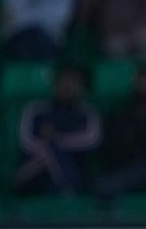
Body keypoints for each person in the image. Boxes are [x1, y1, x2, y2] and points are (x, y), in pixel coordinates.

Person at [93, 63, 146, 201]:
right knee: (105, 186)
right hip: (126, 165)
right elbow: (113, 143)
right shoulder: (119, 112)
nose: (144, 87)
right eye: (141, 83)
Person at [14, 64, 101, 195]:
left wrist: (54, 140)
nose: (67, 86)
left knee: (58, 157)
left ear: (82, 87)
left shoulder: (87, 112)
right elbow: (26, 141)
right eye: (63, 81)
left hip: (76, 166)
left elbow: (91, 140)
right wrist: (49, 151)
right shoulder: (36, 110)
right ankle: (68, 191)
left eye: (73, 82)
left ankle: (68, 191)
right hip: (36, 170)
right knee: (46, 159)